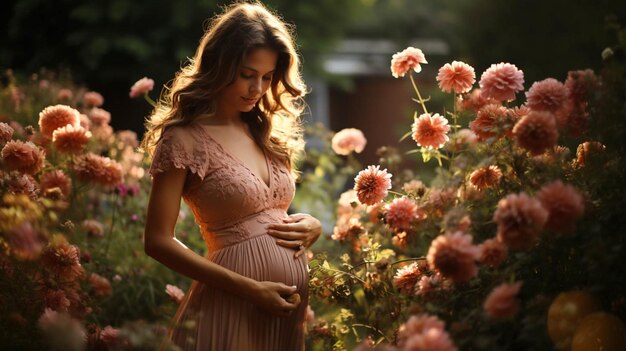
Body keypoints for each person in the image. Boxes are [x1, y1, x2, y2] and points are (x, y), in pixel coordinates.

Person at [141, 2, 322, 350]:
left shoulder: (265, 133)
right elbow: (157, 240)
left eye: (267, 77)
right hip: (228, 309)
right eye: (246, 74)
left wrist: (310, 225)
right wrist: (250, 288)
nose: (258, 88)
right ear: (219, 65)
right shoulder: (185, 138)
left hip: (282, 322)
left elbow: (269, 214)